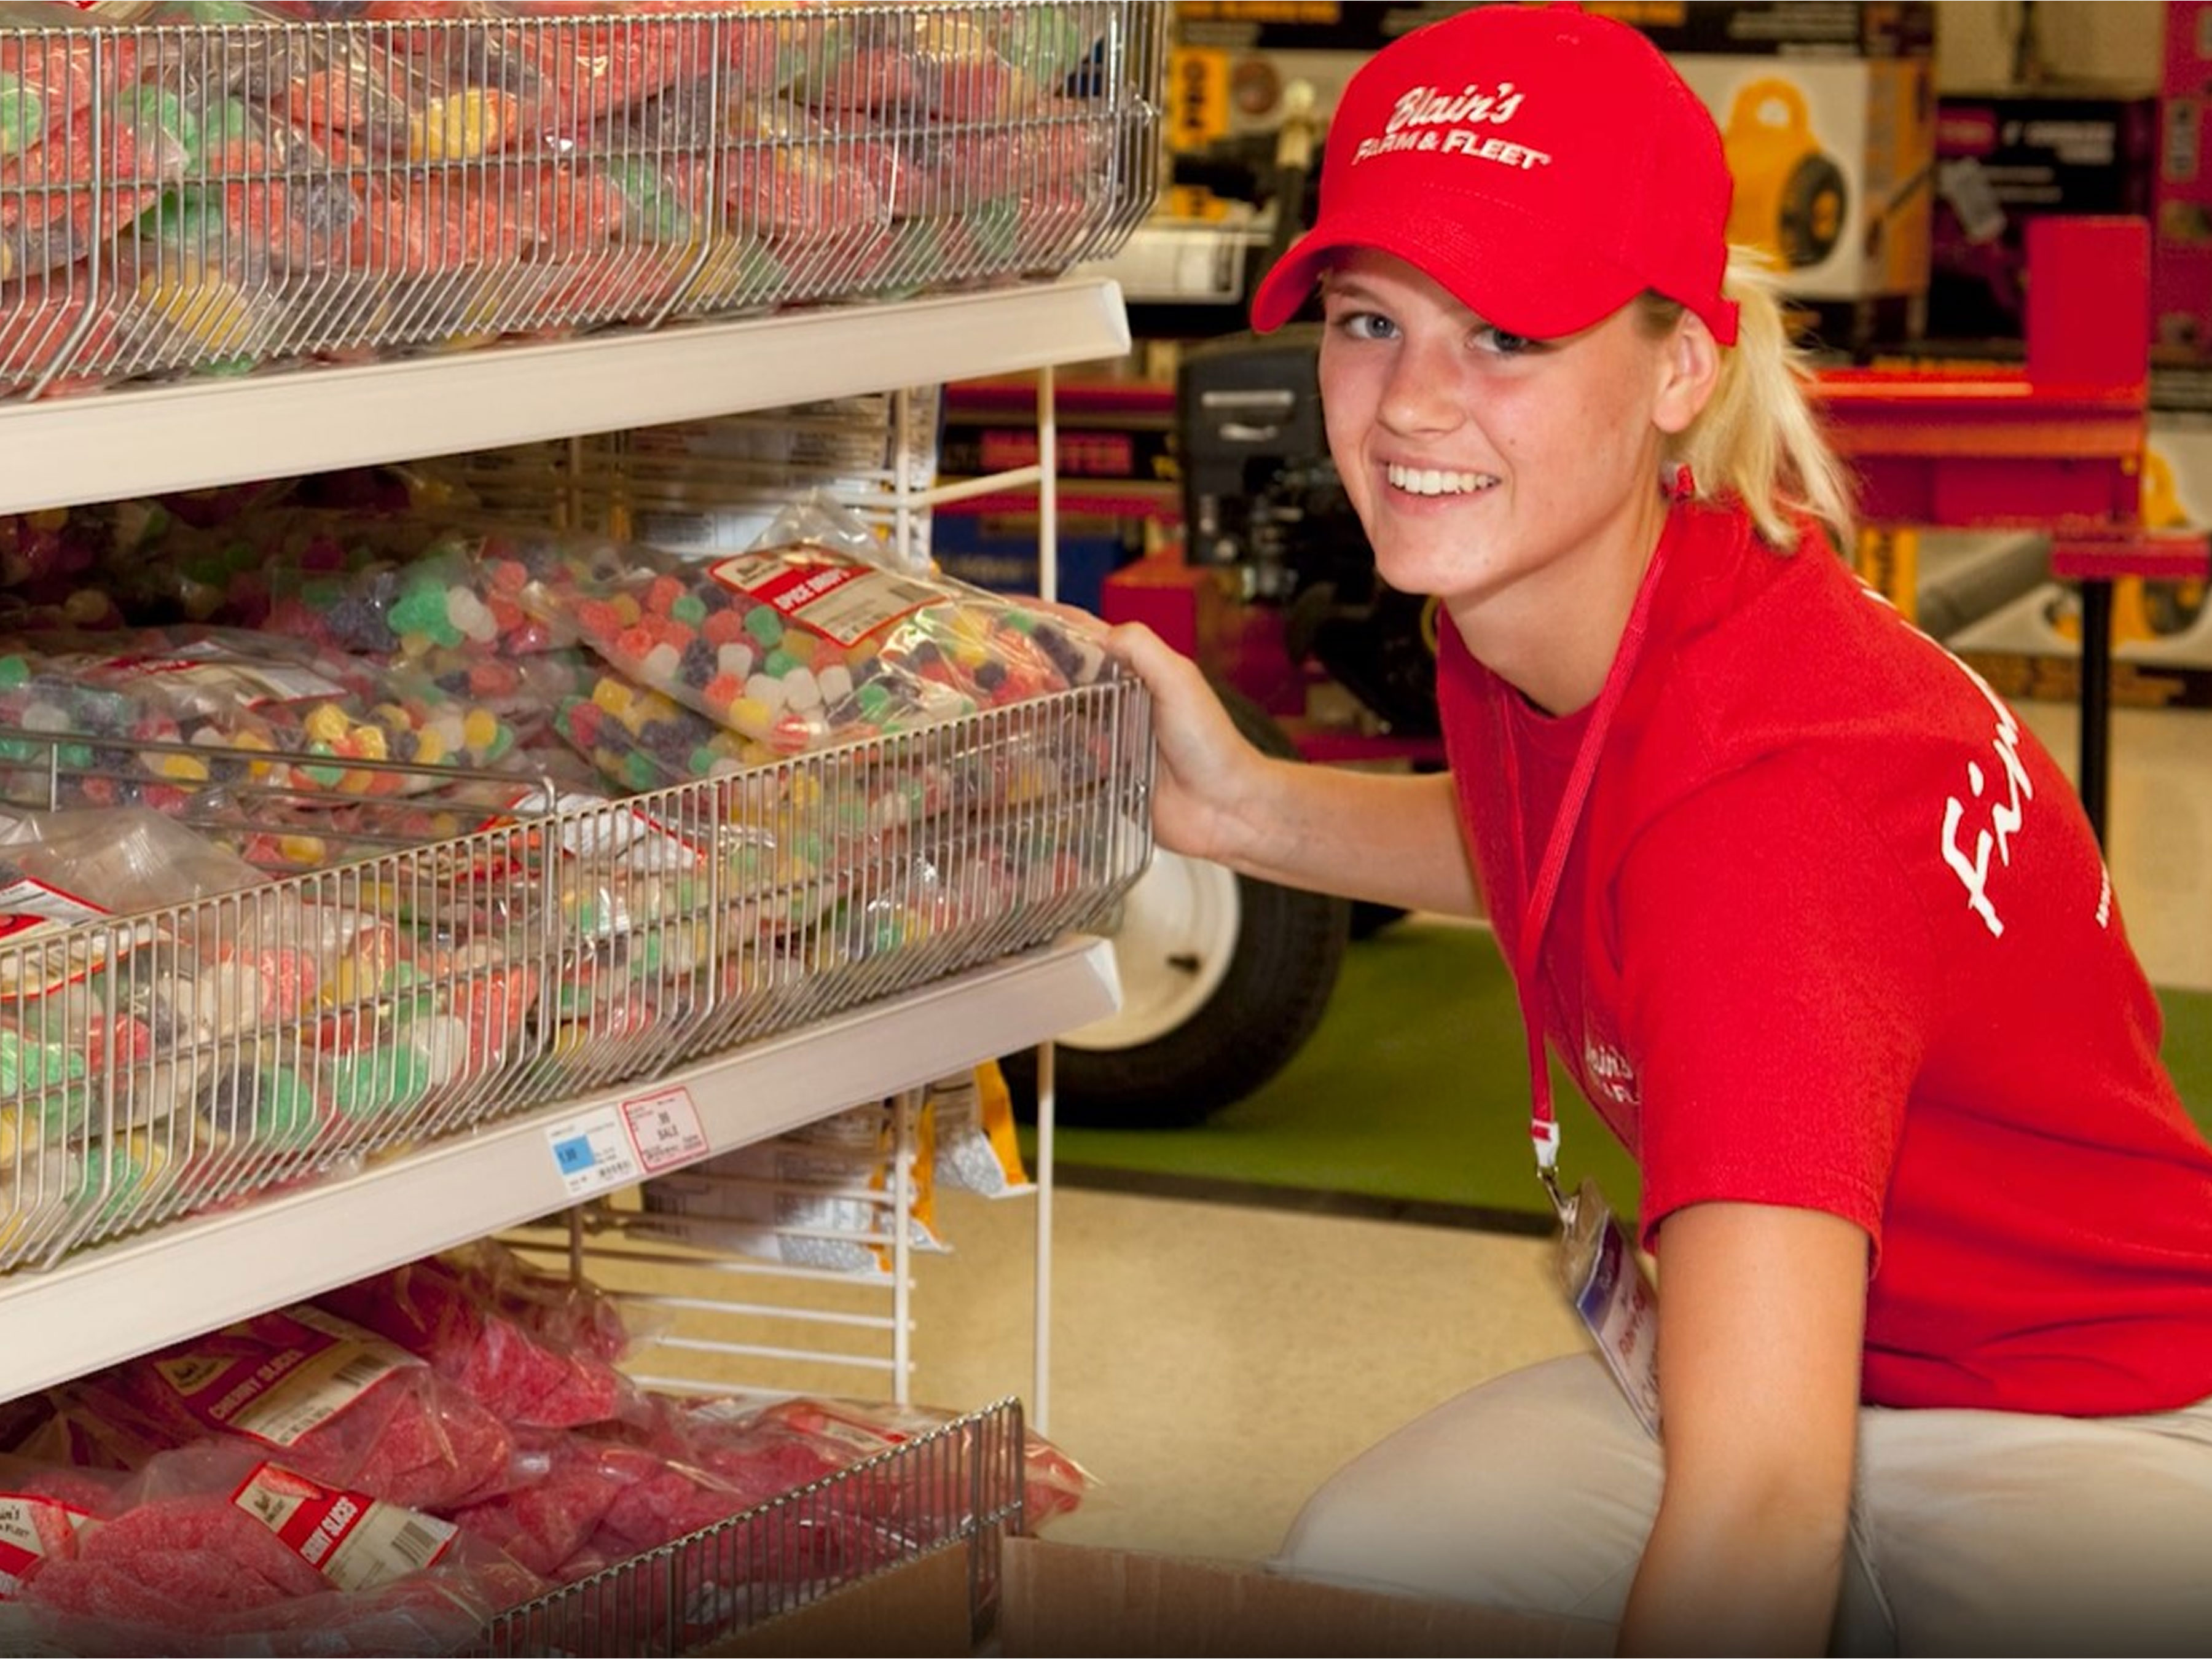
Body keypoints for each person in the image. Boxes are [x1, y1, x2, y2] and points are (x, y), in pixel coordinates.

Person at [1097, 5, 2212, 1655]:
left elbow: (1759, 1509)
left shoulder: (1771, 812)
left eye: (1508, 338)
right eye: (1367, 321)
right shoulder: (1570, 605)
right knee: (1361, 1564)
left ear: (1682, 361)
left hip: (2087, 1423)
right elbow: (1568, 851)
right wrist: (1243, 810)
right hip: (1796, 1358)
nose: (1411, 406)